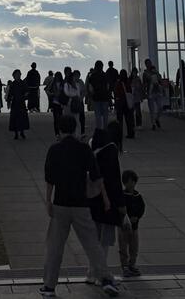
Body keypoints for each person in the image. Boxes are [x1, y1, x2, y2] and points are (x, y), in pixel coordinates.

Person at [41, 113, 119, 298]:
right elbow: (96, 176)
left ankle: (50, 286)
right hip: (82, 204)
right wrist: (106, 199)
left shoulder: (54, 149)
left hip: (61, 203)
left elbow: (50, 178)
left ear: (60, 129)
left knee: (55, 247)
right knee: (92, 244)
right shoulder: (84, 149)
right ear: (75, 128)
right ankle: (106, 279)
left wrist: (48, 201)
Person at [90, 127, 126, 278]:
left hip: (93, 200)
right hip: (108, 201)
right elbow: (115, 180)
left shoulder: (92, 152)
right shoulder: (110, 152)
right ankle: (101, 274)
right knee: (105, 241)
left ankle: (91, 272)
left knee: (94, 239)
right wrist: (121, 203)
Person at [120, 168, 145, 278]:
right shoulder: (122, 195)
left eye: (134, 182)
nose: (132, 184)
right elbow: (120, 209)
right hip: (124, 226)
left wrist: (137, 217)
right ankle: (125, 266)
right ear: (125, 183)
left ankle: (132, 264)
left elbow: (142, 208)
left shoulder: (137, 196)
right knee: (123, 246)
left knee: (134, 247)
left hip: (135, 226)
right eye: (130, 182)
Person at [113, 67, 135, 139]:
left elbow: (116, 93)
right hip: (128, 103)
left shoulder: (118, 83)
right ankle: (131, 133)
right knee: (129, 120)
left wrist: (115, 103)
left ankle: (119, 134)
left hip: (120, 103)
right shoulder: (128, 82)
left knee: (120, 120)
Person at [89, 60, 110, 130]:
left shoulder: (92, 76)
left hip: (96, 98)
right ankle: (105, 129)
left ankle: (99, 130)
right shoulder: (105, 75)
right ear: (102, 66)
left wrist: (92, 95)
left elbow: (91, 88)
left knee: (98, 115)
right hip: (105, 97)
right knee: (105, 115)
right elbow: (108, 87)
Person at [9, 68, 29, 140]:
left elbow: (27, 91)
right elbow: (10, 94)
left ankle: (22, 132)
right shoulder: (13, 84)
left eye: (19, 74)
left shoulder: (23, 83)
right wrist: (10, 100)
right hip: (15, 103)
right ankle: (16, 133)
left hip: (21, 103)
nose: (18, 76)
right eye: (17, 74)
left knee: (22, 118)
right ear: (14, 76)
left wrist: (24, 96)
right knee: (15, 118)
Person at [142, 59, 162, 129]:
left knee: (160, 107)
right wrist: (144, 93)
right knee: (152, 109)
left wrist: (156, 72)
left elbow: (160, 79)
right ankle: (153, 124)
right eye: (148, 63)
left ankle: (157, 118)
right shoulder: (145, 74)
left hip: (157, 91)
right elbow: (144, 84)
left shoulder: (155, 71)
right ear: (146, 64)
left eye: (150, 63)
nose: (149, 64)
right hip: (150, 92)